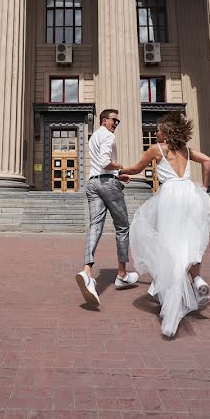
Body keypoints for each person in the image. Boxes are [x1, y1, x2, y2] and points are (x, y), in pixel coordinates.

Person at [119, 110, 210, 337]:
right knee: (188, 240)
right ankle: (197, 278)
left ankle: (172, 298)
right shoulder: (186, 151)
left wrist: (121, 172)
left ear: (166, 133)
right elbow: (208, 161)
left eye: (158, 130)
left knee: (169, 243)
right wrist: (205, 187)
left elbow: (135, 169)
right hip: (190, 193)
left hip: (170, 195)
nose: (156, 132)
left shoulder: (157, 149)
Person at [75, 108, 139, 306]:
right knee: (122, 226)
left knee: (95, 226)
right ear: (104, 121)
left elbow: (99, 165)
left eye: (117, 121)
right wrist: (120, 168)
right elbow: (105, 162)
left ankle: (87, 271)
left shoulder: (94, 137)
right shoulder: (108, 137)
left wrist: (116, 174)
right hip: (108, 185)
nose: (116, 124)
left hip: (93, 183)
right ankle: (121, 274)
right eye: (114, 120)